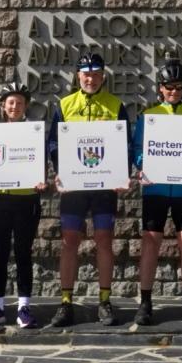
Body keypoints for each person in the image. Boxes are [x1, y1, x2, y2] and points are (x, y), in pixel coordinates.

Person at [46, 52, 131, 328]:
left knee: (104, 240)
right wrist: (60, 170)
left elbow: (126, 144)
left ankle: (104, 301)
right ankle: (65, 302)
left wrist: (122, 173)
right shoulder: (65, 104)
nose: (90, 79)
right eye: (86, 75)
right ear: (78, 76)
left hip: (104, 185)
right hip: (74, 185)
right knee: (69, 240)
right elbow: (53, 143)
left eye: (95, 75)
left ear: (103, 76)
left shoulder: (115, 105)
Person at [131, 59, 182, 326]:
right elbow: (138, 149)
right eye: (169, 87)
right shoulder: (148, 115)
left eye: (178, 87)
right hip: (156, 188)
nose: (174, 91)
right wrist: (144, 164)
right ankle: (145, 302)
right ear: (161, 89)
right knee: (150, 242)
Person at [0, 82, 46, 329]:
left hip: (26, 199)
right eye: (11, 102)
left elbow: (41, 163)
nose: (15, 106)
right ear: (3, 106)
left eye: (19, 102)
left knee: (24, 253)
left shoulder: (34, 132)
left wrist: (42, 180)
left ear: (26, 106)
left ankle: (23, 307)